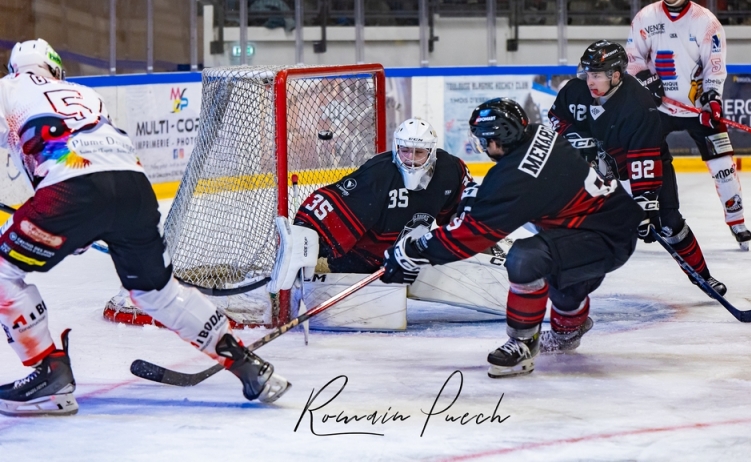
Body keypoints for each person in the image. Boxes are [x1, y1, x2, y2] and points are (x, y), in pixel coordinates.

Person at [0, 39, 289, 416]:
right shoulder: (84, 93)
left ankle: (49, 372)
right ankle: (249, 365)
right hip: (135, 188)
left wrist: (72, 222)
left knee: (4, 273)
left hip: (73, 189)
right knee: (158, 293)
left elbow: (49, 167)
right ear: (54, 69)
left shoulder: (11, 87)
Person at [381, 98, 643, 378]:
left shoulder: (514, 178)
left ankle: (522, 342)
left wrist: (414, 249)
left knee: (526, 259)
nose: (482, 146)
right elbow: (522, 188)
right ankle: (570, 329)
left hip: (602, 238)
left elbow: (471, 237)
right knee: (562, 275)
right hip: (609, 224)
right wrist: (482, 199)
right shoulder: (540, 134)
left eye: (483, 140)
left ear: (496, 141)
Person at [549, 40, 728, 296]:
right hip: (600, 168)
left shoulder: (638, 104)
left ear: (616, 75)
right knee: (577, 220)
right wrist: (579, 139)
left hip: (647, 159)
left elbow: (643, 158)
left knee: (669, 222)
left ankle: (702, 277)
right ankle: (565, 284)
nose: (590, 81)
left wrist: (645, 205)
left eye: (597, 75)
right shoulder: (575, 91)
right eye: (589, 73)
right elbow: (556, 118)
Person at [626, 0, 751, 250]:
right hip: (657, 109)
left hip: (698, 109)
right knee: (644, 161)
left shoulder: (705, 21)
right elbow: (632, 58)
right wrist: (646, 79)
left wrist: (712, 97)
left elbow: (715, 65)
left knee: (723, 164)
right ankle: (645, 217)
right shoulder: (646, 17)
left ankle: (737, 221)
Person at [293, 118, 470, 274]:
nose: (410, 158)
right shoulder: (378, 175)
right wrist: (308, 243)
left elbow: (464, 214)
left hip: (408, 260)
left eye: (419, 153)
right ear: (396, 147)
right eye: (405, 150)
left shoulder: (450, 170)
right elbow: (331, 211)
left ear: (431, 153)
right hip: (359, 262)